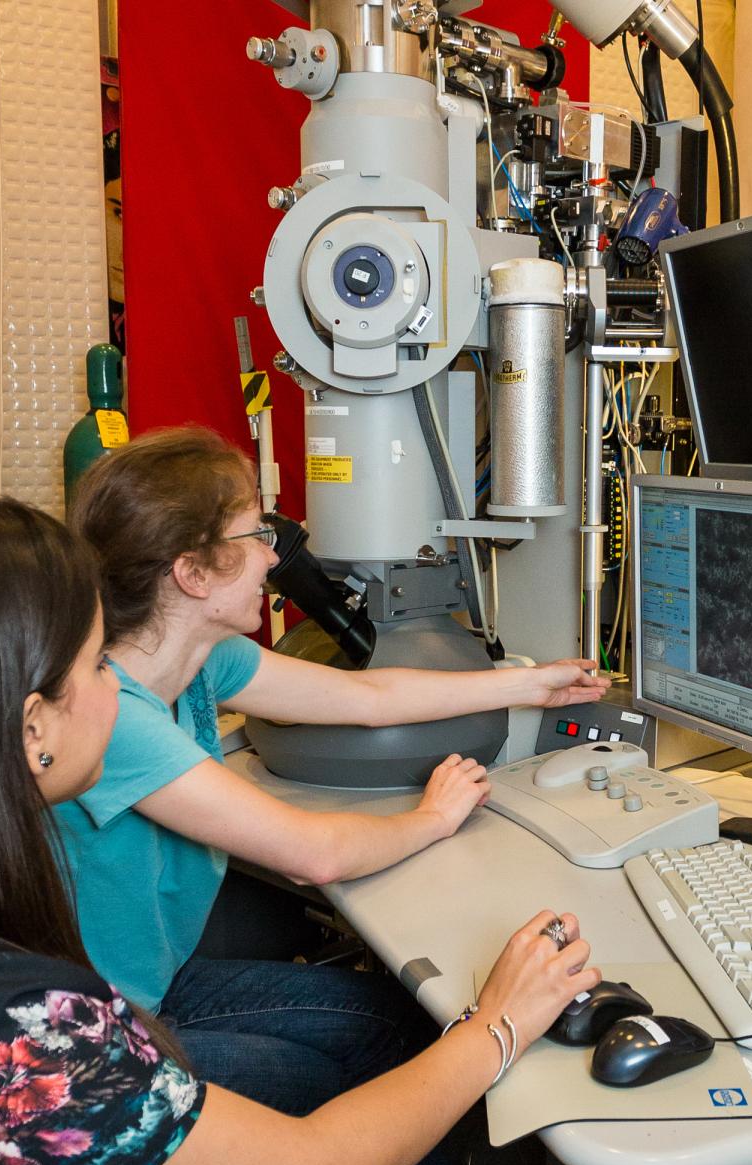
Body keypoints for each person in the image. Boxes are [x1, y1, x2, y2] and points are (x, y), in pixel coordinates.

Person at [0, 495, 599, 1165]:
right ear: (31, 727)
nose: (112, 689)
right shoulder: (3, 1033)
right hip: (143, 1069)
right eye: (91, 667)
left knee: (388, 1023)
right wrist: (499, 1024)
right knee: (375, 1094)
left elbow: (365, 698)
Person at [58, 426, 604, 1118]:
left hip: (153, 989)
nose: (271, 555)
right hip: (95, 1041)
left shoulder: (198, 659)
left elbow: (369, 698)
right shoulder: (113, 716)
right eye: (256, 534)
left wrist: (529, 686)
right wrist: (431, 819)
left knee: (400, 1023)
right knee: (345, 1083)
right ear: (193, 574)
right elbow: (315, 855)